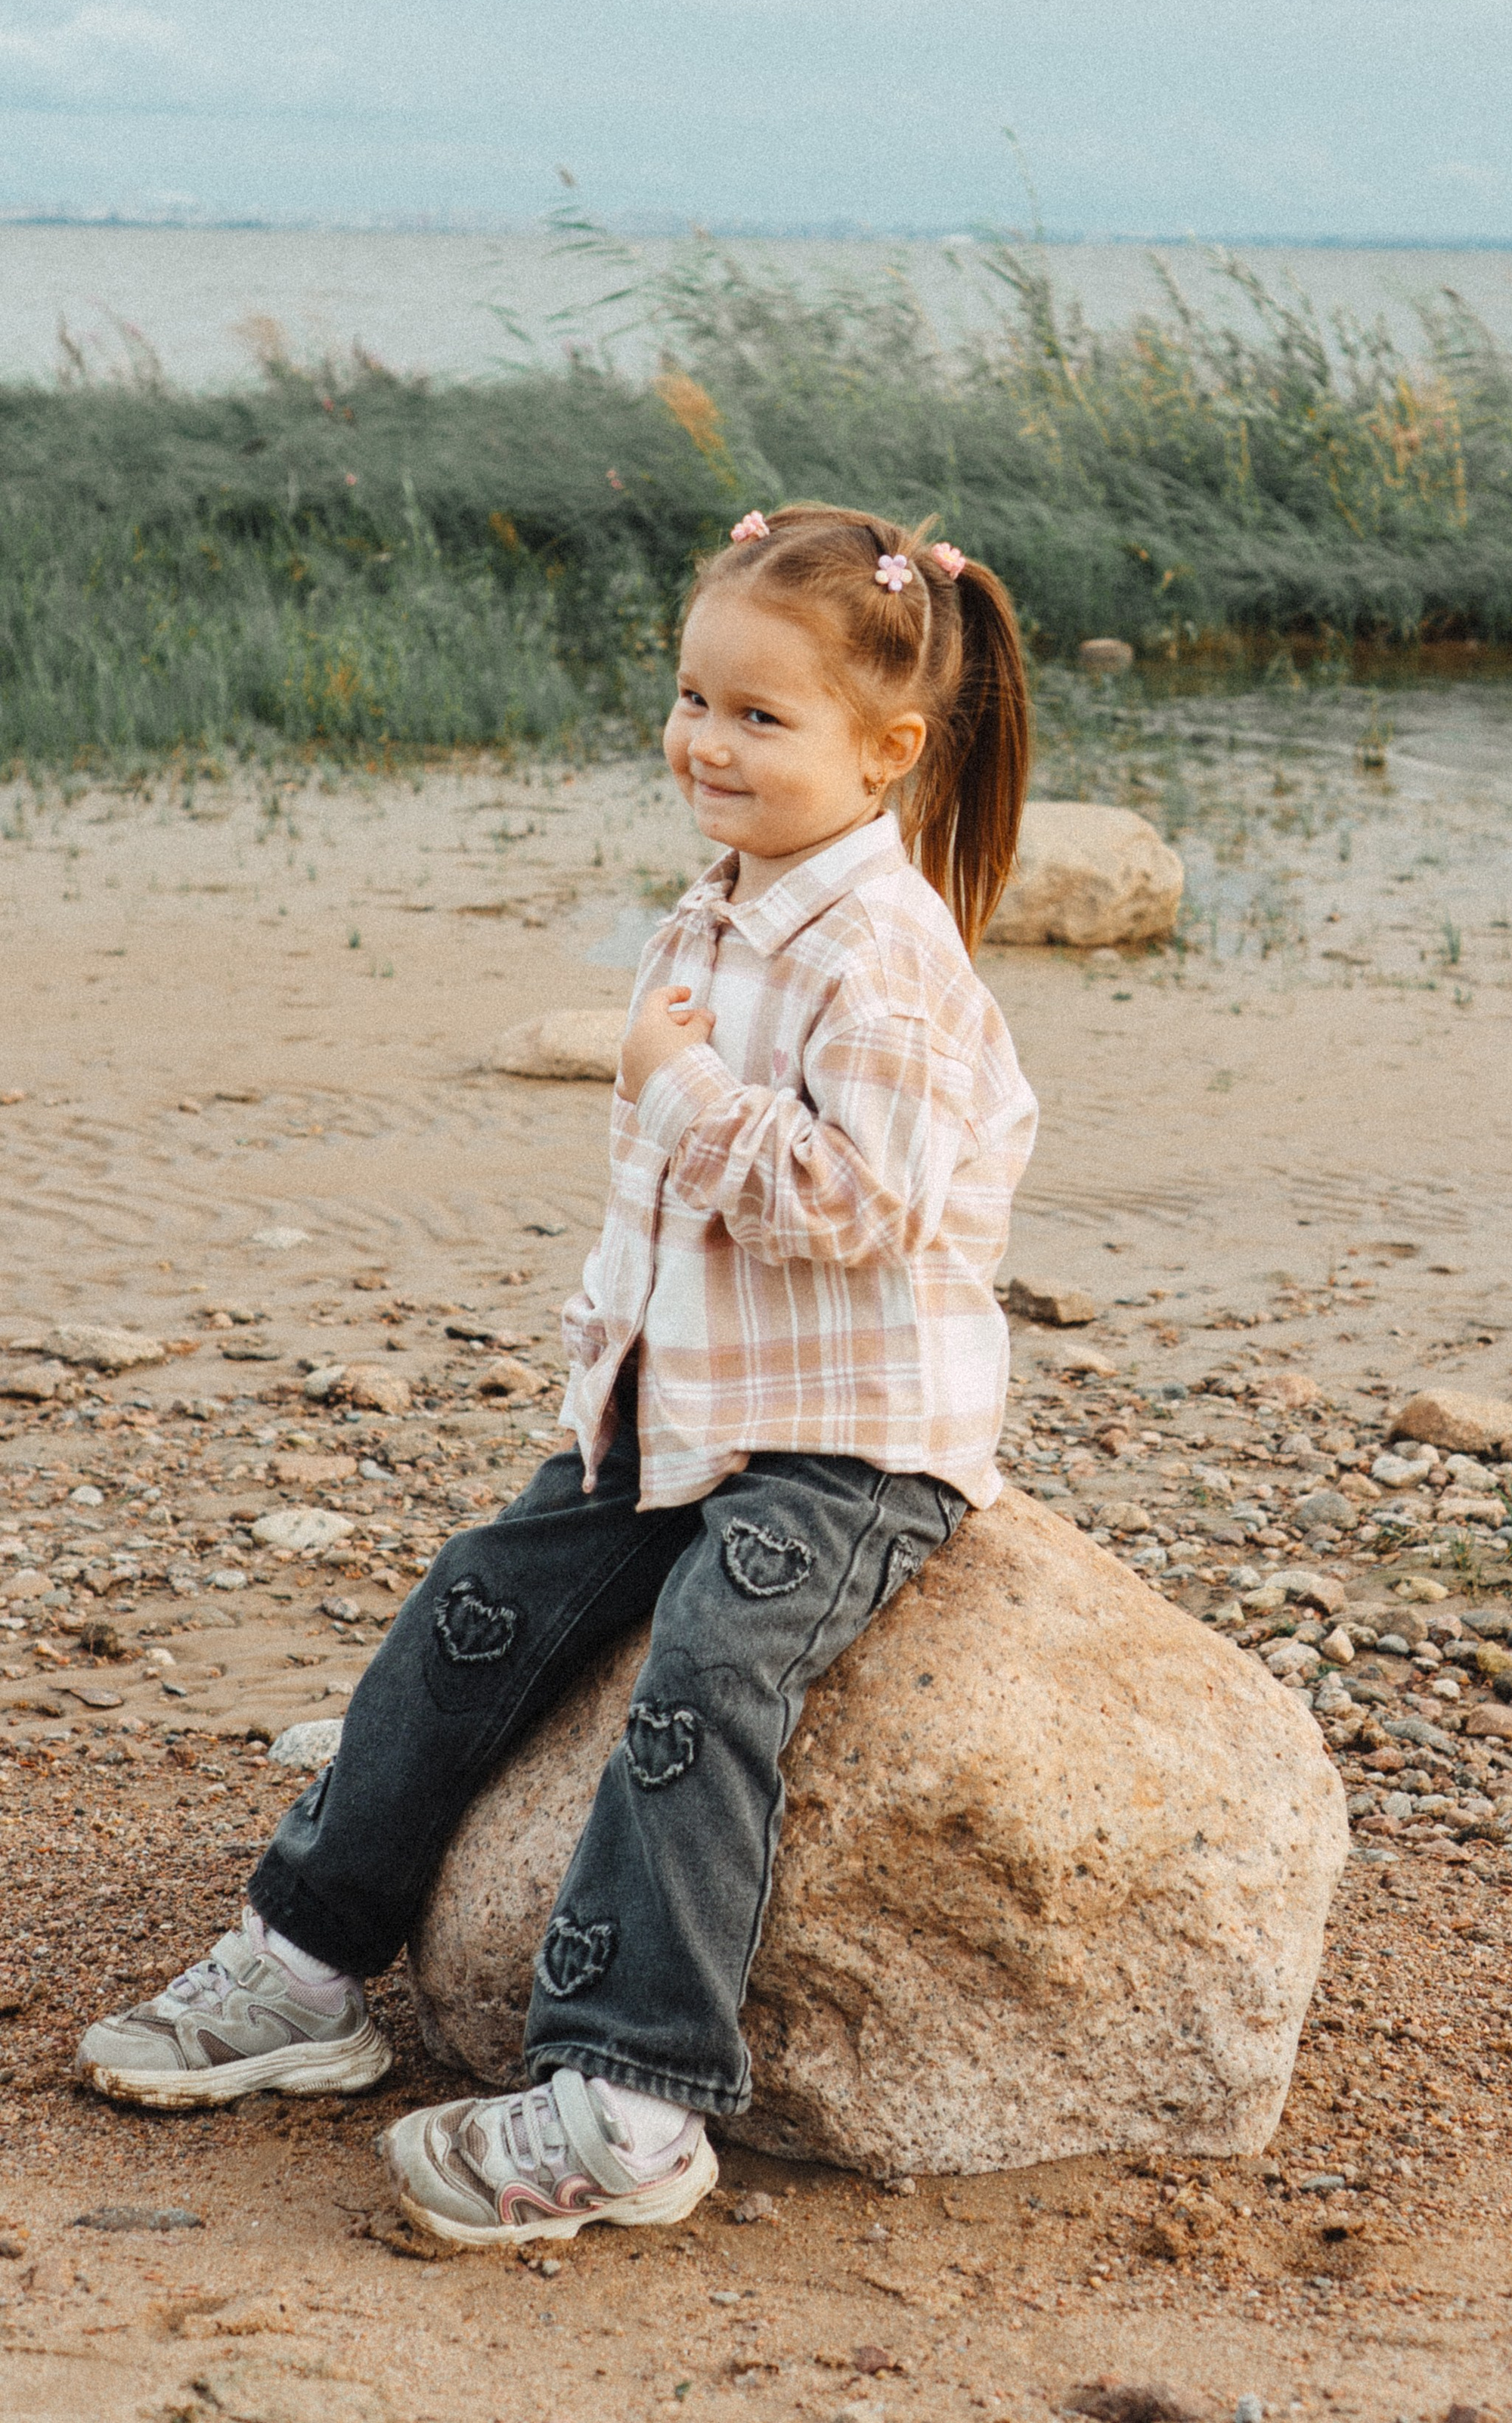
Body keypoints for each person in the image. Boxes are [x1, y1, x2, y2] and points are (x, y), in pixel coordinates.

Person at [76, 503, 1039, 2248]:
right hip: (681, 1411)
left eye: (762, 716)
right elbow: (666, 1226)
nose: (705, 740)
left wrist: (675, 1094)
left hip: (847, 1439)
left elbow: (863, 1206)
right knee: (478, 1605)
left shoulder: (882, 951)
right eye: (693, 697)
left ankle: (631, 2102)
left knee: (705, 1678)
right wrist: (607, 1375)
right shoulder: (719, 909)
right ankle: (305, 1961)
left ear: (887, 749)